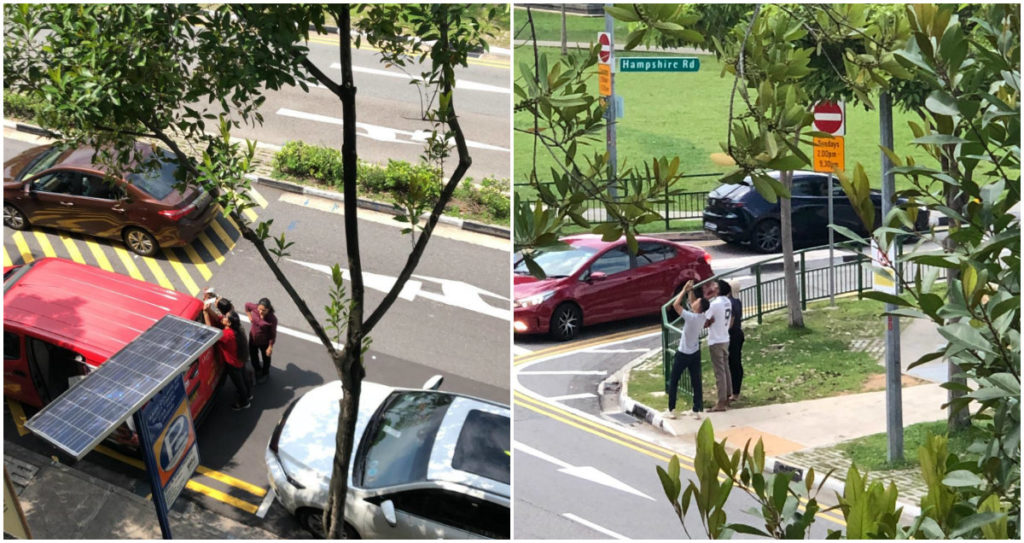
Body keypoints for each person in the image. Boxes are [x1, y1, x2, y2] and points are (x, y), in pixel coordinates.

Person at [664, 280, 709, 420]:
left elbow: (675, 305)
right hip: (694, 352)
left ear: (699, 307)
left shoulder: (691, 317)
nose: (694, 302)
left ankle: (671, 409)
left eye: (697, 301)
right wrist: (690, 291)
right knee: (696, 380)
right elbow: (693, 303)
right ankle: (696, 409)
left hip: (683, 353)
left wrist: (683, 290)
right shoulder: (701, 316)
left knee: (674, 380)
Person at [205, 298, 251, 410]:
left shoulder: (226, 335)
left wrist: (205, 313)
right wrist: (208, 309)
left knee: (239, 383)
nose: (223, 317)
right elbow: (218, 318)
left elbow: (211, 332)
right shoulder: (236, 329)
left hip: (233, 364)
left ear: (229, 322)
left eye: (225, 317)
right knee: (244, 377)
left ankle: (244, 402)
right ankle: (249, 394)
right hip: (240, 359)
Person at [704, 279, 733, 412]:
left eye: (715, 285)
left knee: (719, 371)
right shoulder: (727, 302)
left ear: (719, 289)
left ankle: (721, 401)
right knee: (725, 368)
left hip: (716, 339)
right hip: (725, 338)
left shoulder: (715, 304)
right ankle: (727, 396)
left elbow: (705, 320)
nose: (713, 287)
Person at [245, 297, 278, 383]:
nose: (260, 312)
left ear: (268, 310)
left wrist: (270, 346)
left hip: (264, 342)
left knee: (266, 358)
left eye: (263, 310)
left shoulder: (272, 319)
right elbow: (247, 305)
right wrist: (249, 315)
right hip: (253, 338)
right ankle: (257, 370)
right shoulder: (255, 307)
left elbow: (272, 334)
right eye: (259, 309)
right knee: (253, 356)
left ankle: (265, 373)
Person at [722, 280, 745, 402]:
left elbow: (731, 320)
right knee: (735, 362)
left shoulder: (730, 303)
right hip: (738, 334)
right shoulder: (738, 302)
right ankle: (735, 390)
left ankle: (733, 391)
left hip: (732, 335)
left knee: (732, 363)